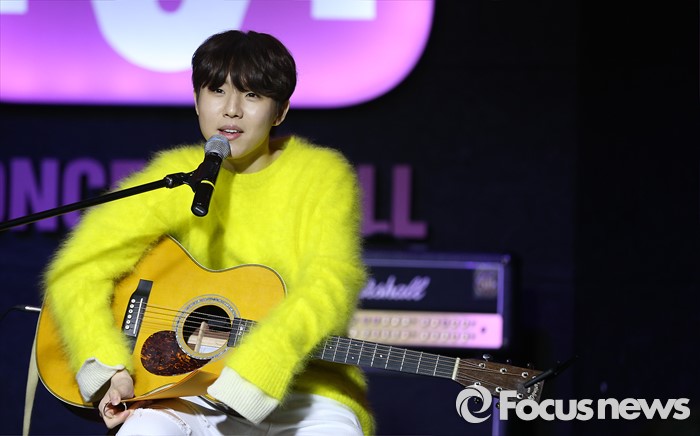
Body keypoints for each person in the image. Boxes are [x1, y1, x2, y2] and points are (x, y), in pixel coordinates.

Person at [42, 30, 373, 435]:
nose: (231, 110)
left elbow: (331, 283)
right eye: (217, 90)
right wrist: (110, 367)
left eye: (252, 95)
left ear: (280, 111)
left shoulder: (321, 175)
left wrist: (260, 367)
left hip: (306, 393)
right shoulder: (176, 176)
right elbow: (77, 269)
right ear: (197, 100)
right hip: (188, 390)